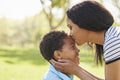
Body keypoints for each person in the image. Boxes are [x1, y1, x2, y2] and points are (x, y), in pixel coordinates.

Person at [50, 0, 120, 80]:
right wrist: (76, 69)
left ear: (83, 22)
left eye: (71, 27)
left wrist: (76, 70)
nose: (70, 34)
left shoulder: (113, 41)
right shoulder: (112, 36)